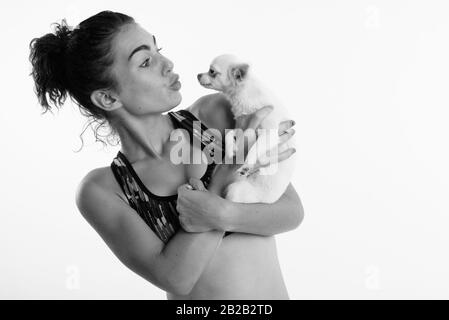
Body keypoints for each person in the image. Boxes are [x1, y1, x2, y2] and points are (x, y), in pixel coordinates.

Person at [29, 10, 304, 299]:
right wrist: (226, 174)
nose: (167, 63)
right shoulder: (104, 189)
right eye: (146, 61)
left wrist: (220, 213)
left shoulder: (215, 115)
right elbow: (176, 278)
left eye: (158, 49)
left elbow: (291, 212)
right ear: (108, 97)